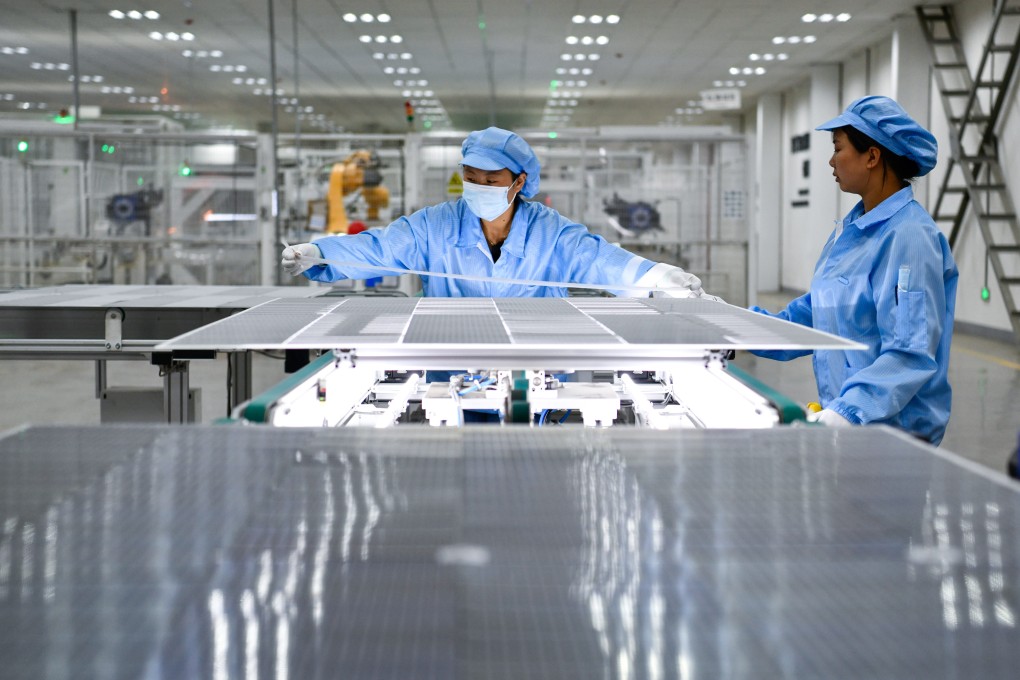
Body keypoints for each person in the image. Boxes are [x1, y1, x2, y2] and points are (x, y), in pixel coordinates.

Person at [281, 126, 707, 299]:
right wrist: (320, 252)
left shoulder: (551, 233)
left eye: (491, 181)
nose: (478, 189)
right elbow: (380, 247)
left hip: (537, 371)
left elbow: (600, 261)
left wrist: (656, 277)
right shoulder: (435, 226)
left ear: (519, 183)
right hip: (446, 369)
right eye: (471, 178)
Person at [750, 96, 958, 445]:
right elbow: (818, 312)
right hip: (855, 426)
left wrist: (845, 413)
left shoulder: (909, 238)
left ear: (872, 156)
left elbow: (910, 354)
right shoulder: (854, 228)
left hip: (894, 436)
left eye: (838, 147)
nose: (831, 161)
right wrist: (738, 328)